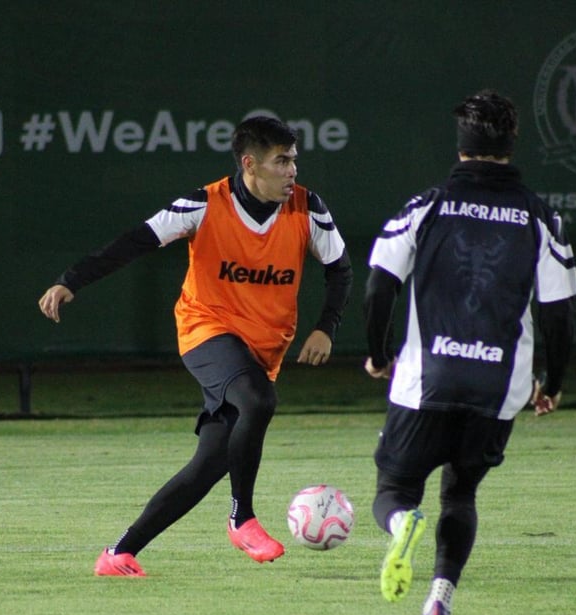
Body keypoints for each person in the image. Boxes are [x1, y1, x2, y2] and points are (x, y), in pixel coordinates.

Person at [38, 115, 352, 577]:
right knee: (259, 401)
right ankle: (242, 517)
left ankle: (119, 553)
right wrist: (72, 280)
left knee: (209, 464)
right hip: (206, 330)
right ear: (250, 164)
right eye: (281, 161)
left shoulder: (307, 207)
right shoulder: (204, 204)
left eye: (294, 161)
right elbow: (135, 242)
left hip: (262, 348)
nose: (292, 171)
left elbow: (340, 269)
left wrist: (326, 327)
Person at [362, 90, 576, 615]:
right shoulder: (540, 216)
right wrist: (552, 382)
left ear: (460, 146)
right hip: (497, 385)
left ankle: (401, 525)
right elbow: (558, 314)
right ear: (512, 143)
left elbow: (379, 285)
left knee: (394, 491)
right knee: (460, 494)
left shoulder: (428, 205)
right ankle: (440, 601)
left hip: (426, 378)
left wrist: (379, 353)